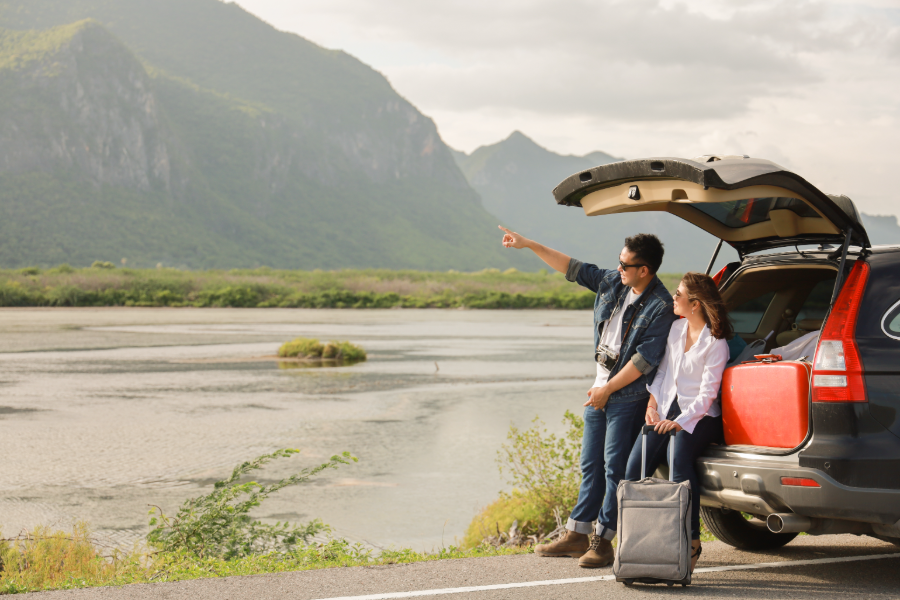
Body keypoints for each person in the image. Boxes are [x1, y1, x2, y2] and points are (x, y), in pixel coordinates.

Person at [499, 226, 676, 568]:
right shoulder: (613, 281)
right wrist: (528, 244)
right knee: (590, 464)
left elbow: (644, 360)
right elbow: (571, 267)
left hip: (627, 395)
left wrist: (607, 389)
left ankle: (603, 541)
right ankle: (577, 534)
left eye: (626, 265)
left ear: (645, 270)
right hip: (600, 389)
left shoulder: (661, 305)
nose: (619, 268)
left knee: (614, 468)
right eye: (619, 262)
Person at [623, 272, 732, 573]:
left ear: (695, 304)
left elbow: (707, 396)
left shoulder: (716, 343)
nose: (674, 297)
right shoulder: (675, 329)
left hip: (702, 416)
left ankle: (691, 540)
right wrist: (653, 403)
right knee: (635, 469)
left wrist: (680, 422)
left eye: (678, 294)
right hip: (667, 407)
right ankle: (642, 539)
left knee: (678, 462)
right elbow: (662, 374)